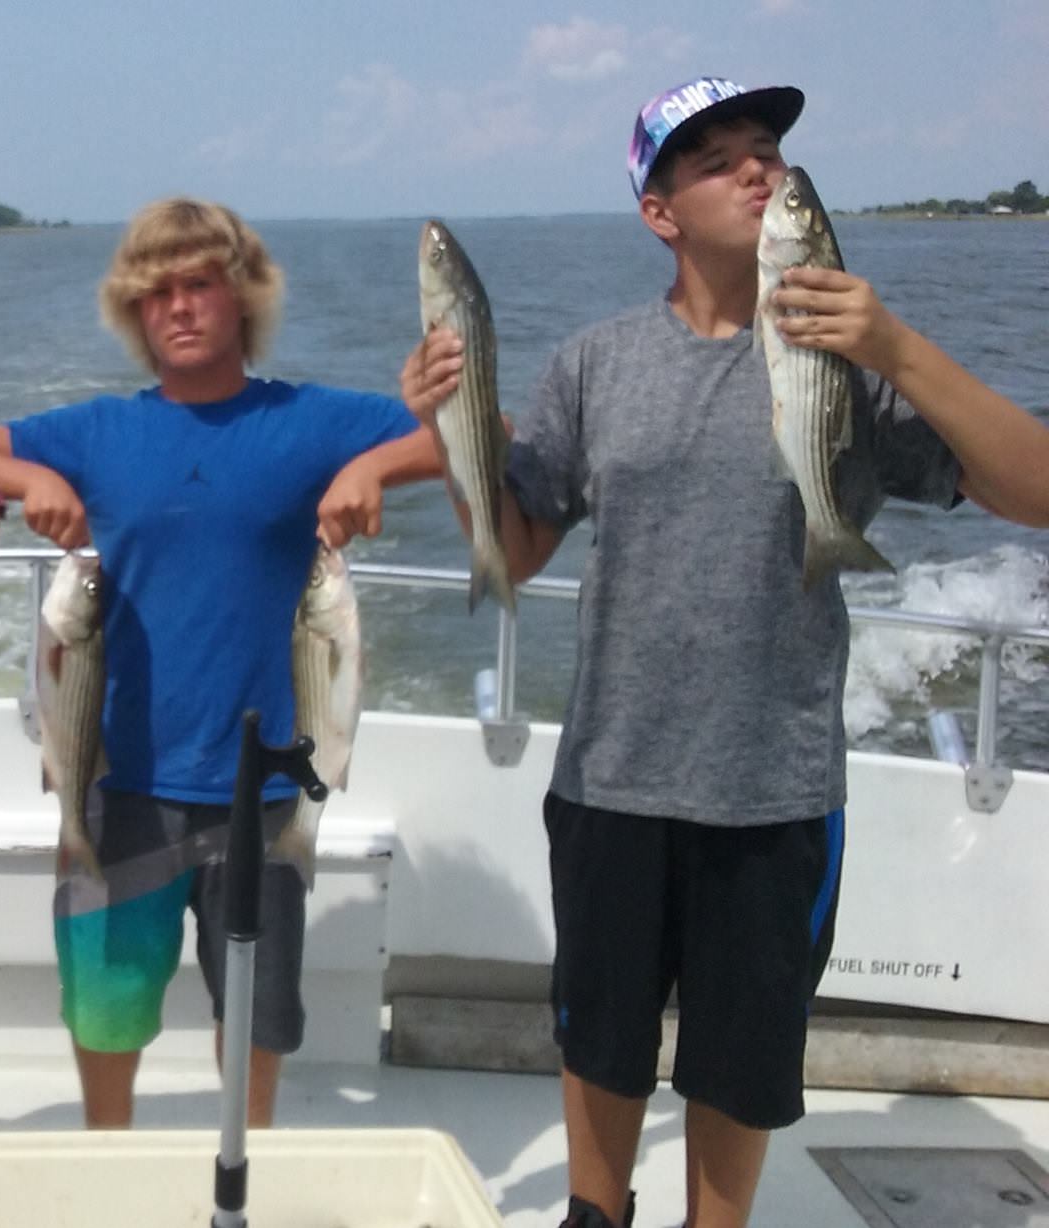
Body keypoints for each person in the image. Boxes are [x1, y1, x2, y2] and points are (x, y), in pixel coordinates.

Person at [400, 77, 1049, 1228]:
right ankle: (593, 1216)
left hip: (773, 786)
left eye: (767, 152)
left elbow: (1031, 490)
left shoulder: (845, 360)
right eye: (716, 159)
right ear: (658, 210)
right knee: (597, 1039)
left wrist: (893, 343)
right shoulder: (594, 362)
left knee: (738, 1063)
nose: (755, 170)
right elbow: (516, 539)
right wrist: (444, 432)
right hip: (609, 775)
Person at [0, 197, 439, 1128]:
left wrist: (373, 471)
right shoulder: (100, 433)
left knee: (256, 1015)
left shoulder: (308, 421)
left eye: (201, 286)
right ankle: (110, 1153)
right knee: (105, 1010)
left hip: (261, 788)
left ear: (245, 299)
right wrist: (37, 480)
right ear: (134, 315)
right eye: (157, 294)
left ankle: (243, 1160)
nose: (180, 308)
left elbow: (478, 439)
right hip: (118, 779)